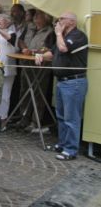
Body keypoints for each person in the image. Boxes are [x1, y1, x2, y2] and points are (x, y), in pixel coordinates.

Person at [35, 12, 88, 161]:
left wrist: (58, 33)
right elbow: (53, 53)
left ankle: (71, 150)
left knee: (71, 118)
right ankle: (63, 144)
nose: (58, 22)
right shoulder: (62, 37)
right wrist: (40, 56)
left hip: (74, 82)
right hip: (62, 82)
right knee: (61, 116)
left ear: (71, 22)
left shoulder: (78, 36)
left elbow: (64, 49)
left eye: (61, 19)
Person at [16, 10, 54, 132]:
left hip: (40, 67)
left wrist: (32, 52)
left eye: (39, 15)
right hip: (26, 64)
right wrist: (24, 48)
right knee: (24, 90)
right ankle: (23, 118)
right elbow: (20, 40)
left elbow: (49, 49)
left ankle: (35, 122)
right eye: (35, 15)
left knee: (38, 93)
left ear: (46, 18)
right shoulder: (30, 27)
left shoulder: (50, 32)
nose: (35, 17)